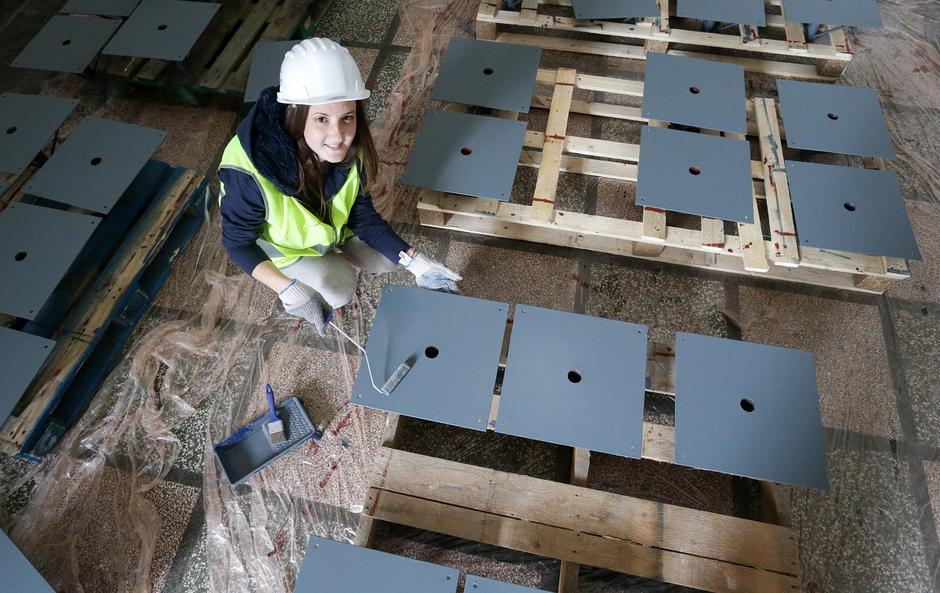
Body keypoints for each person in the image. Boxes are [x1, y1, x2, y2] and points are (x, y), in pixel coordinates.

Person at [217, 38, 461, 335]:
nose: (338, 136)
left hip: (331, 228)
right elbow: (238, 243)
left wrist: (417, 262)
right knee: (340, 289)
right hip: (285, 247)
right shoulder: (248, 172)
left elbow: (361, 213)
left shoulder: (349, 147)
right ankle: (307, 273)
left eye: (347, 118)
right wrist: (288, 290)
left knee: (386, 259)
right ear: (297, 114)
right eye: (321, 119)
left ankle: (336, 251)